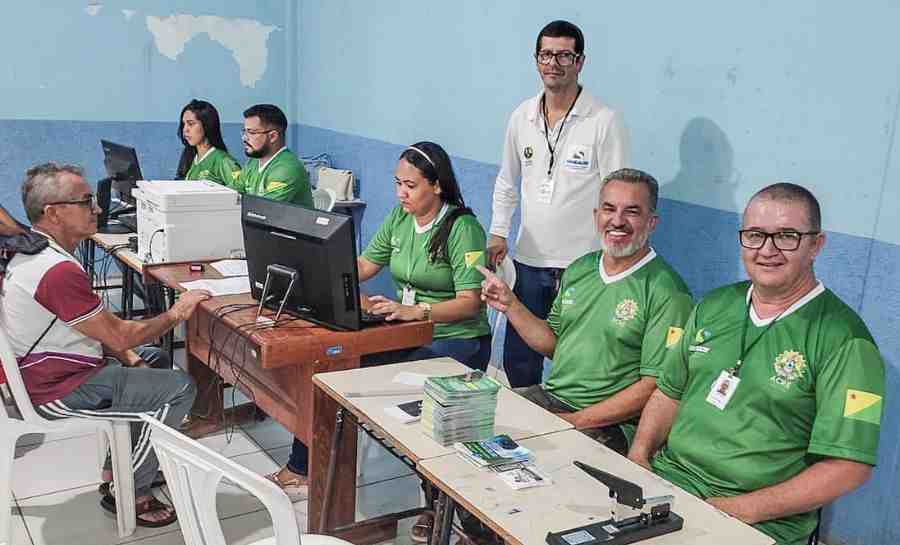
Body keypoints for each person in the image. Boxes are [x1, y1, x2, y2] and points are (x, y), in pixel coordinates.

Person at [628, 183, 885, 545]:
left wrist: (734, 509)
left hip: (758, 521)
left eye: (787, 236)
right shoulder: (714, 306)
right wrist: (638, 457)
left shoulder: (845, 340)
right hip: (669, 488)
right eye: (755, 235)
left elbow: (848, 467)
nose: (767, 249)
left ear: (816, 245)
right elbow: (669, 392)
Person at [266, 142, 491, 537]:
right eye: (398, 183)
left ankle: (436, 505)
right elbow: (366, 265)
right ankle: (303, 467)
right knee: (330, 372)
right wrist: (320, 268)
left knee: (411, 409)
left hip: (455, 340)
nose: (401, 193)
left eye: (411, 185)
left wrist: (416, 311)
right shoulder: (400, 219)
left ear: (437, 186)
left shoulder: (462, 228)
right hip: (404, 328)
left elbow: (470, 303)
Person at [0, 163, 212, 527]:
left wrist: (131, 357)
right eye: (87, 202)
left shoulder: (38, 253)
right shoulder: (55, 270)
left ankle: (121, 469)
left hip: (47, 373)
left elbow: (106, 337)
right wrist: (177, 313)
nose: (98, 208)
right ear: (53, 213)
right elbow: (118, 335)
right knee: (179, 388)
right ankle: (134, 490)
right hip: (52, 390)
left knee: (155, 358)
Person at [480, 168, 693, 454]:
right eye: (609, 209)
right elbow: (556, 344)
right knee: (473, 423)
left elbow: (654, 386)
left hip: (609, 425)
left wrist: (576, 421)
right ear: (596, 216)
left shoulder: (668, 291)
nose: (617, 221)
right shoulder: (580, 269)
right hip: (553, 398)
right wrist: (510, 305)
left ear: (651, 222)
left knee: (535, 462)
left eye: (631, 211)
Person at [488, 20, 630, 388]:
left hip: (581, 267)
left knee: (578, 361)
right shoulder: (522, 116)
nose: (554, 63)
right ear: (536, 60)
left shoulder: (604, 121)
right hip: (529, 261)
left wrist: (613, 259)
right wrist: (498, 231)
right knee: (520, 362)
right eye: (546, 54)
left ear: (580, 61)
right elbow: (507, 180)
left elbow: (619, 194)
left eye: (564, 55)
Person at [236, 104, 313, 206]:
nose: (244, 138)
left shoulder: (287, 169)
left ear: (273, 136)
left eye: (252, 132)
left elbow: (263, 209)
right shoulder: (253, 162)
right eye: (244, 131)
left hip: (286, 222)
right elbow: (232, 192)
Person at [175, 99, 242, 188]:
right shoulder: (190, 158)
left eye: (191, 124)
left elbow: (241, 195)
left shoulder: (224, 161)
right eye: (184, 124)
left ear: (207, 125)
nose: (185, 129)